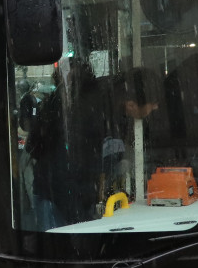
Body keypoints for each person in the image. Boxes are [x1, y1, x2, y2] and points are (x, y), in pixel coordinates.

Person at [28, 66, 163, 227]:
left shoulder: (111, 106)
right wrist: (82, 218)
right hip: (57, 197)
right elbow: (66, 169)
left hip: (76, 195)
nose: (155, 110)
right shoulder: (89, 111)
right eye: (151, 107)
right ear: (131, 104)